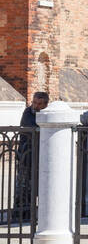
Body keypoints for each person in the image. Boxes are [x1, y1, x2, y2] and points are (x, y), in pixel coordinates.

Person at [13, 91, 48, 222]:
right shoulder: (28, 112)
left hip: (41, 156)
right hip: (26, 155)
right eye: (34, 102)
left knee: (41, 185)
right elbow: (31, 127)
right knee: (23, 186)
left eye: (39, 104)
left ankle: (38, 213)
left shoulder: (47, 114)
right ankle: (21, 214)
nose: (36, 106)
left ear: (45, 104)